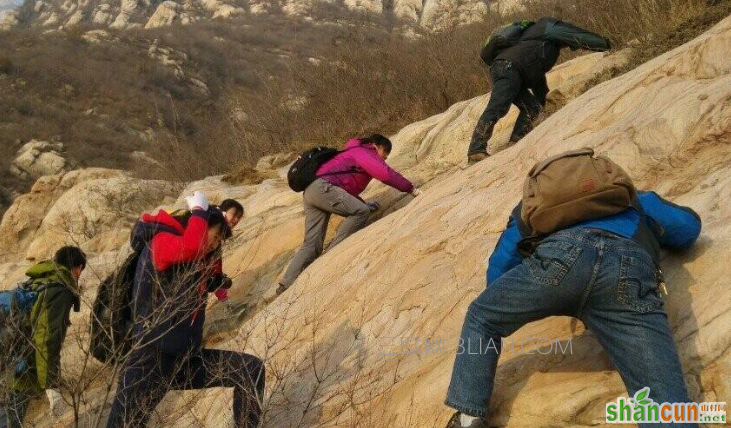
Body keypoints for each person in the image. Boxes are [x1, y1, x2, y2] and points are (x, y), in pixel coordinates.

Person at [444, 182, 702, 427]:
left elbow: (499, 270)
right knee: (663, 396)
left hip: (560, 260)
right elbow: (688, 229)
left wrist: (516, 297)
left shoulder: (533, 208)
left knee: (482, 316)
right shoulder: (633, 199)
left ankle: (469, 418)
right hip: (627, 266)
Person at [106, 192, 264, 428]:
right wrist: (200, 212)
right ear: (198, 226)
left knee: (251, 369)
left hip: (183, 360)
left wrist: (217, 284)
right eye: (216, 235)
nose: (216, 243)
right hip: (150, 359)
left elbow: (199, 265)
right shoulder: (161, 242)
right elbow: (192, 246)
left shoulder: (193, 260)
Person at [278, 134, 420, 294]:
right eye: (383, 155)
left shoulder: (350, 151)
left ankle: (285, 284)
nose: (383, 160)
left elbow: (343, 188)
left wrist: (362, 201)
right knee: (361, 212)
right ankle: (331, 256)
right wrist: (411, 189)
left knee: (311, 243)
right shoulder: (364, 152)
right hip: (323, 188)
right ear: (376, 146)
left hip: (312, 192)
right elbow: (385, 174)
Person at [467, 18, 611, 164]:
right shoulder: (550, 27)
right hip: (508, 68)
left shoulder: (535, 43)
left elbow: (538, 82)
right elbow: (578, 36)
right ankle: (476, 149)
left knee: (532, 107)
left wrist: (547, 105)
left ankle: (516, 141)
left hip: (510, 68)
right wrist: (606, 45)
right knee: (498, 106)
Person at [1, 246, 87, 428]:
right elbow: (48, 339)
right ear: (77, 268)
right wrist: (52, 385)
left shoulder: (39, 281)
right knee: (10, 417)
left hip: (9, 353)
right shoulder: (60, 291)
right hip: (21, 364)